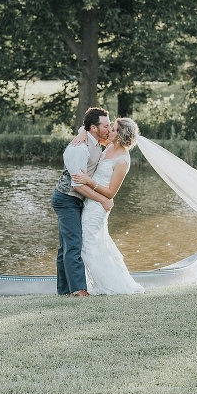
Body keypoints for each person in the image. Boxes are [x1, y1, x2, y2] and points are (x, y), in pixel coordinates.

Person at [71, 118, 145, 296]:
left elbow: (111, 192)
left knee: (88, 244)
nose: (109, 131)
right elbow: (90, 132)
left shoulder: (122, 161)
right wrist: (82, 132)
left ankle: (108, 285)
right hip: (89, 201)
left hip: (98, 207)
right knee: (97, 244)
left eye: (113, 129)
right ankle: (101, 283)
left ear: (119, 135)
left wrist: (88, 181)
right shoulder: (110, 145)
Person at [51, 107, 113, 297]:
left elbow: (116, 138)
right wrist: (103, 199)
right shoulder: (80, 149)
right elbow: (77, 185)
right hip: (66, 199)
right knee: (73, 244)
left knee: (66, 246)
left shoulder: (94, 139)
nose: (109, 129)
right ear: (94, 128)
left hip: (75, 200)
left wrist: (82, 130)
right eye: (106, 126)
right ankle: (78, 290)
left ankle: (64, 290)